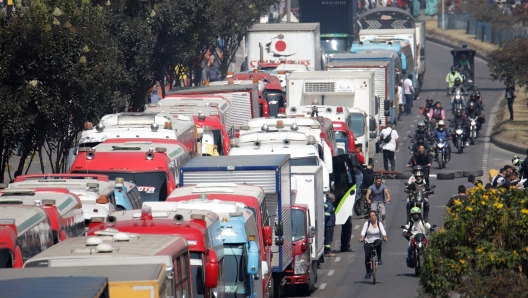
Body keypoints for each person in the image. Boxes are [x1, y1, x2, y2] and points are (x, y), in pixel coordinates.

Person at [359, 211, 388, 279]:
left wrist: (385, 236)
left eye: (373, 215)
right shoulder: (367, 223)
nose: (372, 217)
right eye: (371, 216)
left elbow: (383, 230)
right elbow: (363, 231)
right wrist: (361, 238)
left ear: (376, 216)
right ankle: (367, 272)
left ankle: (379, 258)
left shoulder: (379, 223)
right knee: (367, 257)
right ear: (369, 217)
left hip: (376, 240)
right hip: (368, 241)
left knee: (378, 243)